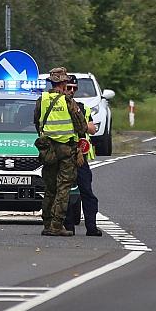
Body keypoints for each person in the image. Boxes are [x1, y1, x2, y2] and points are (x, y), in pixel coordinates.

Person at [33, 67, 87, 236]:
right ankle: (56, 225)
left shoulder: (42, 100)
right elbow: (82, 127)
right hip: (66, 150)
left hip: (48, 150)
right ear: (64, 83)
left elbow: (37, 123)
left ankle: (47, 224)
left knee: (50, 188)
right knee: (63, 187)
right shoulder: (68, 101)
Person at [63, 75, 102, 236]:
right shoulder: (58, 107)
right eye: (69, 88)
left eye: (74, 88)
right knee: (65, 192)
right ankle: (68, 226)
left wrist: (81, 124)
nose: (72, 91)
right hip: (63, 155)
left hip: (80, 156)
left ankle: (91, 227)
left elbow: (92, 129)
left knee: (86, 191)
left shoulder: (82, 107)